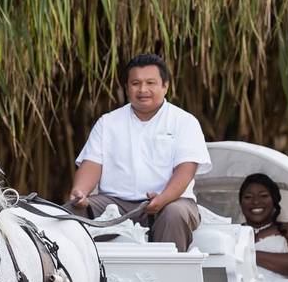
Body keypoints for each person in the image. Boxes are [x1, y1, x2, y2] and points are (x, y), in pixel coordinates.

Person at [66, 53, 211, 252]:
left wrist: (163, 199)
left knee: (174, 214)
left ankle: (169, 281)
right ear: (127, 88)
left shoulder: (184, 121)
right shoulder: (108, 122)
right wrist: (80, 192)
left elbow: (185, 170)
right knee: (71, 212)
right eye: (135, 83)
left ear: (165, 86)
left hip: (172, 201)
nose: (143, 90)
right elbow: (91, 164)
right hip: (114, 204)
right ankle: (78, 280)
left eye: (150, 82)